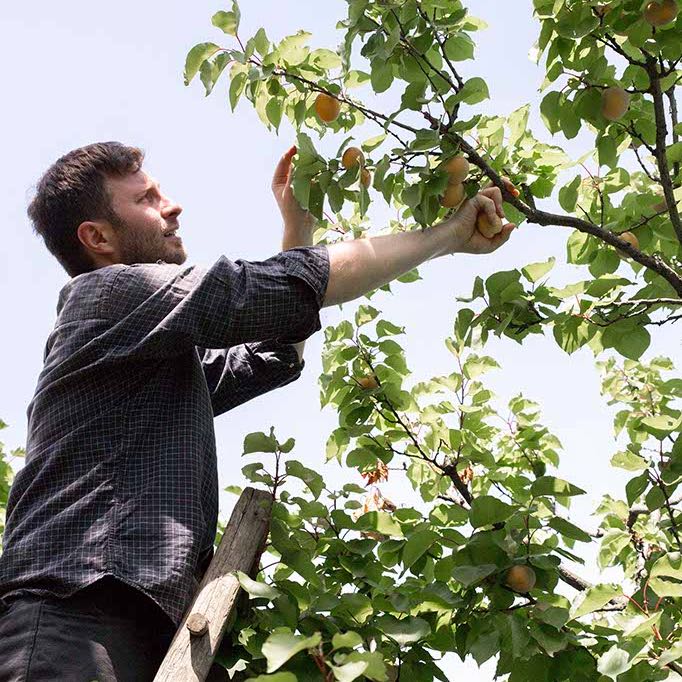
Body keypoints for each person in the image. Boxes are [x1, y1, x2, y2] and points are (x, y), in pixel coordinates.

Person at [0, 141, 514, 681]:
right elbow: (279, 288)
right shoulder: (107, 296)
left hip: (135, 628)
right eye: (146, 199)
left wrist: (298, 229)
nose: (172, 205)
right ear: (98, 238)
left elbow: (272, 354)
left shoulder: (147, 351)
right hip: (71, 620)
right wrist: (447, 236)